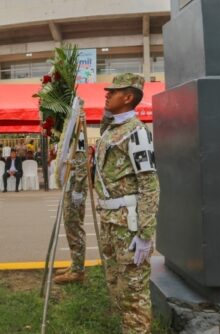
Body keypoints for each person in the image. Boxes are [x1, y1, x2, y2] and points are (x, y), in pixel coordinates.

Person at [93, 73, 159, 334]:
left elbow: (149, 184)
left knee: (134, 291)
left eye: (114, 92)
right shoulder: (113, 129)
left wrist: (145, 234)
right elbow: (104, 122)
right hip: (111, 220)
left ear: (129, 97)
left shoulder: (137, 132)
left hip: (128, 223)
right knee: (115, 282)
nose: (107, 95)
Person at [53, 119, 89, 285]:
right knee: (70, 226)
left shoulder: (78, 134)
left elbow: (82, 163)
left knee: (74, 226)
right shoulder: (70, 134)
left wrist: (78, 189)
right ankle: (76, 264)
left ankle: (78, 271)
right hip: (70, 183)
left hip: (76, 185)